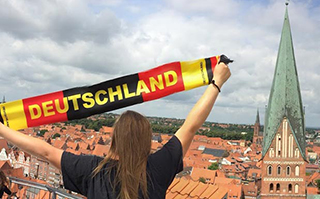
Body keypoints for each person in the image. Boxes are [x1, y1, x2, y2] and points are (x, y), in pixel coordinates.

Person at [0, 60, 231, 199]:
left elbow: (46, 152)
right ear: (147, 140)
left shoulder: (93, 170)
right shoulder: (159, 167)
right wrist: (216, 83)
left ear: (114, 139)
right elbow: (190, 126)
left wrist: (2, 129)